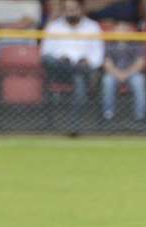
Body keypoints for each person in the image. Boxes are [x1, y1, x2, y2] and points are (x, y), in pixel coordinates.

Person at [40, 0, 103, 135]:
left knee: (79, 78)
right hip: (59, 69)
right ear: (63, 11)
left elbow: (98, 54)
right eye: (68, 9)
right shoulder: (54, 26)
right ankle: (88, 79)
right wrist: (61, 57)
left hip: (83, 70)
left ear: (81, 9)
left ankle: (73, 126)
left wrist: (88, 61)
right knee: (49, 60)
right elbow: (45, 52)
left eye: (74, 9)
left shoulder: (93, 26)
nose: (71, 12)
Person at [100, 16, 146, 125]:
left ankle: (140, 117)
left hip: (132, 73)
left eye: (125, 30)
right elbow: (107, 63)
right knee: (107, 81)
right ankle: (108, 116)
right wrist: (118, 74)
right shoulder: (109, 44)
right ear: (114, 31)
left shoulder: (136, 43)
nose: (122, 32)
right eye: (119, 29)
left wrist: (126, 74)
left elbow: (140, 63)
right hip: (113, 73)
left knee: (139, 81)